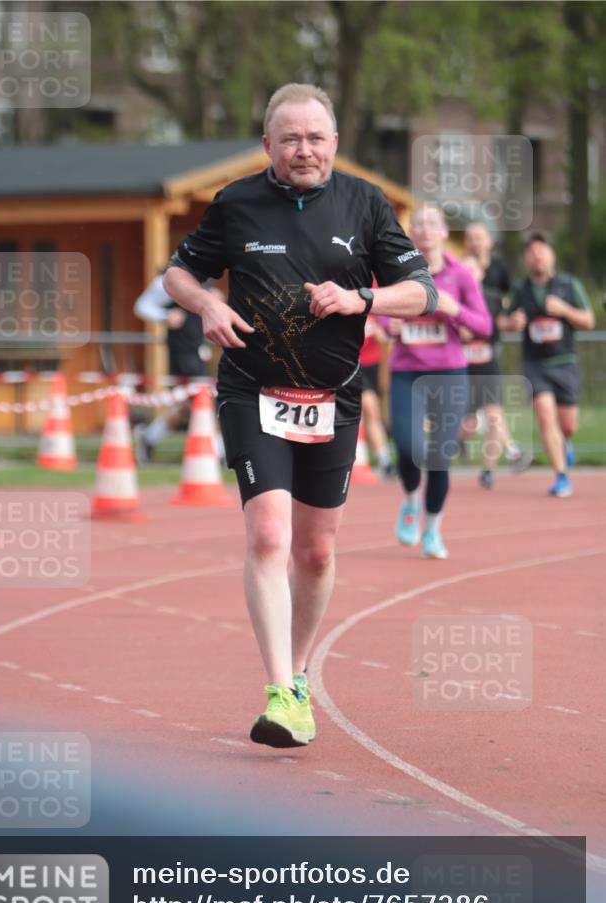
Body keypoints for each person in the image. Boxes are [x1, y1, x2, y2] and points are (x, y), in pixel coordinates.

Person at [163, 83, 437, 749]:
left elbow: (421, 291)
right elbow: (176, 274)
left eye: (315, 137)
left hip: (334, 398)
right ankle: (281, 689)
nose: (303, 149)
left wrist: (360, 298)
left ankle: (299, 671)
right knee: (267, 536)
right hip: (252, 392)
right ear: (268, 145)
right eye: (290, 138)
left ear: (334, 144)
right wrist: (205, 305)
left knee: (315, 551)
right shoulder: (235, 203)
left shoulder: (365, 203)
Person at [384, 204, 492, 558]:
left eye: (433, 224)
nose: (425, 229)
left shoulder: (461, 276)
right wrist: (390, 325)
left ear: (445, 233)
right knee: (408, 446)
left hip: (448, 373)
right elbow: (382, 311)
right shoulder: (398, 271)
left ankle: (432, 530)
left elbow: (484, 326)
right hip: (406, 371)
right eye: (419, 224)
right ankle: (411, 499)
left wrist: (453, 309)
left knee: (439, 456)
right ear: (411, 233)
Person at [500, 233, 595, 497]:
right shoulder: (520, 290)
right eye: (531, 252)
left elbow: (589, 320)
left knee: (568, 426)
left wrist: (564, 310)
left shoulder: (568, 285)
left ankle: (565, 442)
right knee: (544, 414)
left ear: (551, 256)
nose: (536, 256)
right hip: (535, 364)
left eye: (541, 251)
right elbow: (502, 322)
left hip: (565, 362)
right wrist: (512, 324)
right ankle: (561, 476)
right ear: (526, 259)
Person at [460, 224, 531, 488]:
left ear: (481, 274)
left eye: (474, 271)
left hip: (487, 362)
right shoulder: (451, 300)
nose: (470, 275)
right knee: (465, 424)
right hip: (459, 366)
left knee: (493, 414)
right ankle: (459, 440)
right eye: (464, 271)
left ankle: (494, 465)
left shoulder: (492, 298)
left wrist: (513, 322)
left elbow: (501, 321)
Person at [132, 275, 220, 462]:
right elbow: (141, 306)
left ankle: (148, 437)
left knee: (186, 407)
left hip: (197, 350)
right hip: (182, 351)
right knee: (202, 400)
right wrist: (165, 316)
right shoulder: (170, 279)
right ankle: (218, 453)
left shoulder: (205, 278)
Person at [359, 309, 395, 478]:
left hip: (377, 362)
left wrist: (384, 332)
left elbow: (388, 326)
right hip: (355, 363)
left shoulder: (376, 287)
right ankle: (384, 459)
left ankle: (386, 458)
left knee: (378, 413)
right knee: (370, 407)